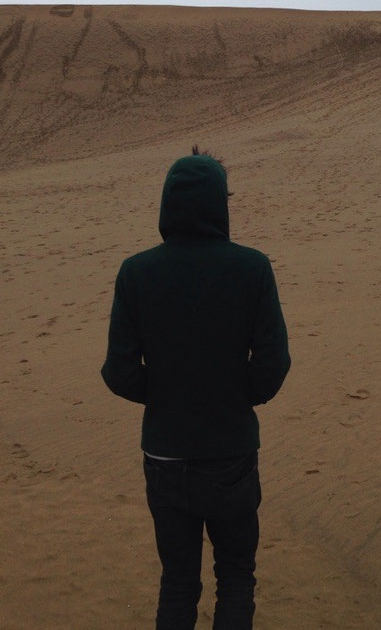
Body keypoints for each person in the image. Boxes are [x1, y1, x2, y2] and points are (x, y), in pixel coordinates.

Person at [101, 146, 290, 629]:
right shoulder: (252, 268)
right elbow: (273, 364)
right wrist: (234, 394)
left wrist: (166, 392)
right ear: (219, 204)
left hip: (165, 453)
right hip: (231, 451)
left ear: (168, 204)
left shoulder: (136, 272)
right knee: (236, 577)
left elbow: (119, 372)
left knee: (179, 582)